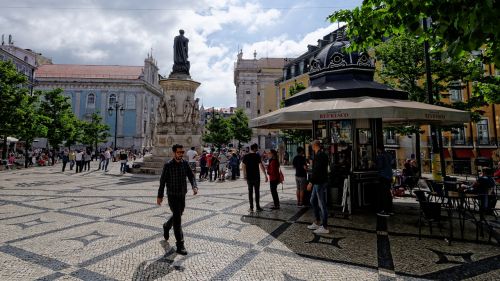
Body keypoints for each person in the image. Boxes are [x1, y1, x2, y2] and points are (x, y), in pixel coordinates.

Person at [157, 144, 198, 255]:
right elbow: (162, 182)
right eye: (179, 152)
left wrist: (194, 186)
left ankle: (166, 226)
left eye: (182, 152)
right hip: (172, 195)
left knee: (178, 214)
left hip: (182, 195)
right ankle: (180, 245)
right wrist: (160, 196)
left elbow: (191, 176)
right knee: (178, 220)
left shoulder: (185, 163)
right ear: (174, 152)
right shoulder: (168, 165)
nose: (181, 154)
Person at [306, 140, 330, 234]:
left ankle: (324, 226)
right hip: (317, 182)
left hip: (319, 182)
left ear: (315, 145)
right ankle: (317, 221)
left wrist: (311, 182)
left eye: (312, 145)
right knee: (313, 200)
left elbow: (317, 170)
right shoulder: (317, 154)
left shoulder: (320, 155)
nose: (311, 147)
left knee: (322, 204)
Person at [242, 143, 268, 212]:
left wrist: (244, 175)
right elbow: (261, 165)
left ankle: (251, 208)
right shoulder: (257, 156)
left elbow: (243, 166)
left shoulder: (246, 156)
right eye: (257, 148)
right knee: (257, 192)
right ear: (254, 148)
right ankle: (258, 207)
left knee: (250, 192)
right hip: (256, 177)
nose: (257, 149)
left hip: (249, 177)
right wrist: (265, 175)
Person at [376, 146, 394, 217]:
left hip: (383, 176)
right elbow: (392, 163)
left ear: (378, 149)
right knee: (388, 193)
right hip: (389, 176)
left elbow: (380, 166)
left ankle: (384, 210)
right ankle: (389, 210)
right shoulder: (389, 155)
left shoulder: (380, 156)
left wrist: (375, 164)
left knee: (383, 194)